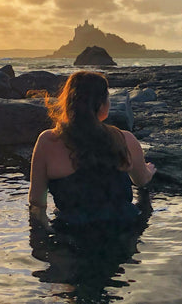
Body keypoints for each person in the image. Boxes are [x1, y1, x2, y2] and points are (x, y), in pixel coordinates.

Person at [28, 71, 156, 228]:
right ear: (101, 105)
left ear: (68, 103)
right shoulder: (125, 139)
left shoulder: (48, 141)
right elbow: (141, 180)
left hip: (70, 238)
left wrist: (41, 244)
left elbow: (37, 202)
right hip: (121, 237)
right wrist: (149, 170)